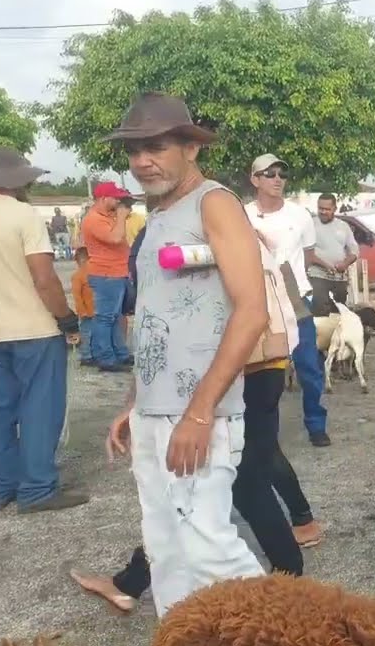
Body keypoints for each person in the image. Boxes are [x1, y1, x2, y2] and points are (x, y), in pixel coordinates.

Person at [72, 232, 322, 612]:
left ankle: (287, 591)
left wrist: (147, 402)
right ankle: (289, 570)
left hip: (230, 366)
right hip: (264, 361)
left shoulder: (183, 225)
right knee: (243, 473)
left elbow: (164, 324)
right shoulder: (225, 221)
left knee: (204, 487)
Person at [102, 91, 268, 615]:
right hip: (156, 411)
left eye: (155, 147)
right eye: (134, 151)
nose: (142, 161)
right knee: (166, 548)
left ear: (191, 148)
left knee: (208, 547)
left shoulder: (214, 203)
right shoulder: (158, 214)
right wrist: (135, 401)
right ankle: (185, 645)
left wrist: (199, 412)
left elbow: (252, 312)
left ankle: (292, 640)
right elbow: (156, 318)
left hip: (200, 411)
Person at [0, 147, 87, 513]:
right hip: (34, 328)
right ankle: (37, 489)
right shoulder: (24, 215)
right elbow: (44, 278)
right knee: (40, 408)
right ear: (15, 180)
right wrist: (65, 317)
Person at [244, 154, 330, 447]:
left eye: (282, 173)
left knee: (309, 367)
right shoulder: (242, 215)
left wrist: (294, 286)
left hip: (295, 297)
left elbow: (307, 256)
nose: (278, 179)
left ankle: (316, 424)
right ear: (255, 179)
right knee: (264, 368)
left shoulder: (300, 216)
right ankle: (265, 433)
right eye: (270, 174)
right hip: (259, 298)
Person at [80, 181, 135, 373]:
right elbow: (115, 238)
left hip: (116, 273)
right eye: (115, 198)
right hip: (106, 274)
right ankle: (105, 358)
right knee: (105, 318)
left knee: (115, 317)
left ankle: (119, 353)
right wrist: (121, 216)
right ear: (104, 198)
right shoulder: (94, 220)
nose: (118, 202)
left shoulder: (106, 217)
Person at [306, 192, 359, 313]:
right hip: (317, 275)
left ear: (334, 209)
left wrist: (345, 264)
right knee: (321, 310)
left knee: (339, 312)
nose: (323, 212)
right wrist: (326, 265)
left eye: (327, 209)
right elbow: (307, 253)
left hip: (339, 278)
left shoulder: (343, 226)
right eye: (321, 208)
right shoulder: (310, 225)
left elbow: (354, 250)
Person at [71, 248, 96, 367]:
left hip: (96, 311)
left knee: (95, 334)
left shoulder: (95, 274)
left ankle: (93, 354)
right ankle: (86, 356)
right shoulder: (77, 276)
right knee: (86, 334)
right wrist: (82, 311)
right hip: (87, 312)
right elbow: (77, 296)